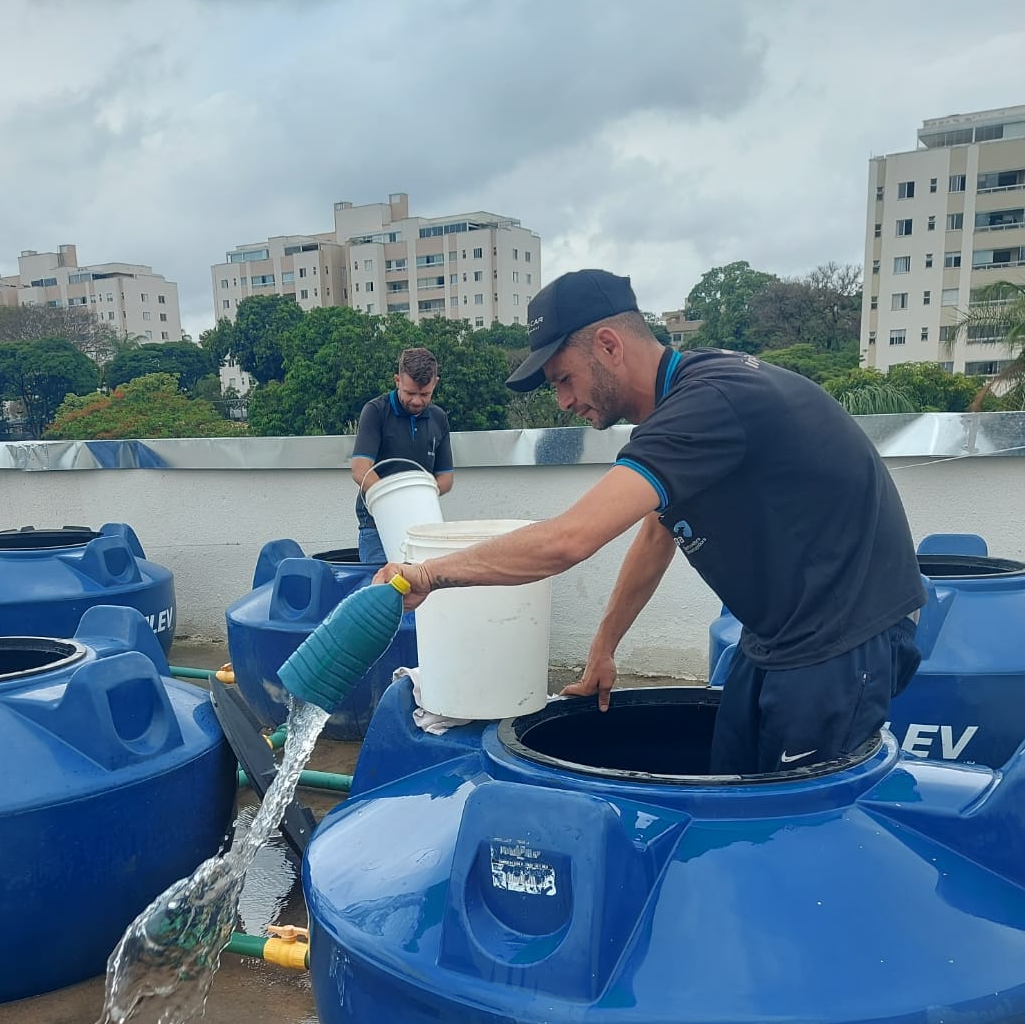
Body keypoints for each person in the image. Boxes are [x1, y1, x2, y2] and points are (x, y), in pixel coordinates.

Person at [376, 269, 924, 775]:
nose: (564, 402)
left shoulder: (708, 403)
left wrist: (428, 575)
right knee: (728, 784)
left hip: (843, 640)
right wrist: (605, 646)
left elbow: (568, 540)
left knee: (786, 828)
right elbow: (660, 529)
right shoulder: (687, 402)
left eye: (564, 379)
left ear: (610, 346)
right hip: (780, 636)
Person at [351, 347, 453, 566]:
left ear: (435, 383)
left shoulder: (439, 418)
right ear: (397, 380)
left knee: (425, 595)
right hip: (377, 526)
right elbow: (360, 469)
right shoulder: (376, 411)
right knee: (383, 593)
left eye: (424, 394)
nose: (416, 401)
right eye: (410, 393)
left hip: (423, 527)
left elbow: (445, 478)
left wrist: (417, 497)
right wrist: (394, 502)